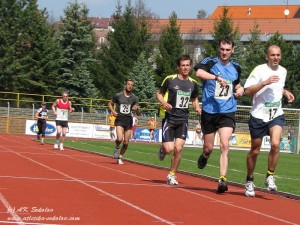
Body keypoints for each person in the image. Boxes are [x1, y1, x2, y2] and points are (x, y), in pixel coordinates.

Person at [194, 35, 244, 193]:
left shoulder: (236, 67)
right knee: (208, 147)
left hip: (227, 111)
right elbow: (199, 73)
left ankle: (222, 179)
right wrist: (216, 77)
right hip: (209, 111)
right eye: (222, 49)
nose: (224, 52)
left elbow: (237, 84)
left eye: (228, 50)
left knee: (224, 144)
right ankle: (205, 155)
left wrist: (240, 90)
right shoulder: (209, 62)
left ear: (232, 50)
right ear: (218, 49)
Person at [243, 45, 294, 197]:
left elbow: (278, 87)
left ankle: (270, 175)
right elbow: (247, 91)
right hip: (258, 116)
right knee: (255, 151)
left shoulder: (283, 71)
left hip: (276, 114)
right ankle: (249, 180)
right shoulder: (259, 70)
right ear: (267, 56)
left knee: (275, 144)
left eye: (278, 55)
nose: (276, 57)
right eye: (273, 55)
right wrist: (264, 82)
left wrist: (286, 93)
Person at [156, 54, 201, 185]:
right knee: (169, 149)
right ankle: (163, 149)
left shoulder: (193, 83)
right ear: (178, 67)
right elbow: (158, 94)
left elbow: (194, 99)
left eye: (188, 65)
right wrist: (164, 103)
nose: (185, 68)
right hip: (169, 119)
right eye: (183, 65)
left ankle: (172, 174)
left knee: (178, 149)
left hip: (183, 119)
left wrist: (197, 107)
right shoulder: (170, 80)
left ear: (190, 66)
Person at [108, 79, 140, 165]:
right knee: (119, 138)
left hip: (128, 120)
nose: (130, 86)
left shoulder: (135, 98)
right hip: (119, 119)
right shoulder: (118, 95)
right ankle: (117, 147)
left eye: (131, 85)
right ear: (125, 85)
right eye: (128, 84)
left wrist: (137, 109)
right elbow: (110, 103)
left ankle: (120, 157)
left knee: (126, 142)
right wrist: (112, 110)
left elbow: (138, 113)